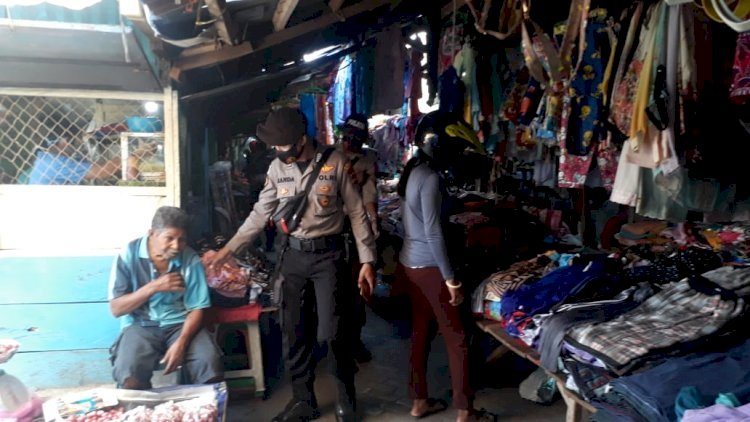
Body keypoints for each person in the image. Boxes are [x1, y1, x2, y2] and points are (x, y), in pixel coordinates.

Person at [204, 107, 377, 422]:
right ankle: (303, 401)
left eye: (283, 145)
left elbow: (356, 211)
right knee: (294, 330)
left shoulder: (335, 161)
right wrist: (228, 250)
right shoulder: (275, 169)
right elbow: (260, 214)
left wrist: (367, 260)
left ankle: (345, 399)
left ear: (301, 140)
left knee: (332, 333)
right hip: (293, 257)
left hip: (330, 256)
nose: (278, 150)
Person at [396, 111, 493, 422]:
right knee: (457, 337)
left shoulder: (414, 170)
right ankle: (466, 411)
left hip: (411, 264)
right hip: (431, 268)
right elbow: (433, 231)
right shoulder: (432, 178)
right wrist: (451, 279)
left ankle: (419, 402)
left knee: (421, 332)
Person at [108, 206, 224, 390]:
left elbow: (196, 308)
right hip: (140, 326)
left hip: (180, 325)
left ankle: (201, 414)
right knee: (130, 373)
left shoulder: (190, 259)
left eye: (182, 240)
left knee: (209, 364)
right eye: (169, 238)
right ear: (152, 234)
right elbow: (116, 309)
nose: (176, 246)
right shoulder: (128, 255)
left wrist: (181, 343)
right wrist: (154, 287)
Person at [337, 113, 379, 364]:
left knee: (359, 289)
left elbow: (369, 198)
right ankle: (340, 341)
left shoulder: (368, 159)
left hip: (357, 232)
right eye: (348, 136)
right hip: (333, 231)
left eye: (356, 138)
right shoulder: (329, 157)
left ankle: (355, 340)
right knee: (336, 290)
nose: (351, 141)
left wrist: (373, 228)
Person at [28, 116, 148, 185]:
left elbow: (95, 167)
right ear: (66, 141)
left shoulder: (46, 157)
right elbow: (100, 172)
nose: (77, 145)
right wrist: (135, 155)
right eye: (76, 140)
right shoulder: (55, 163)